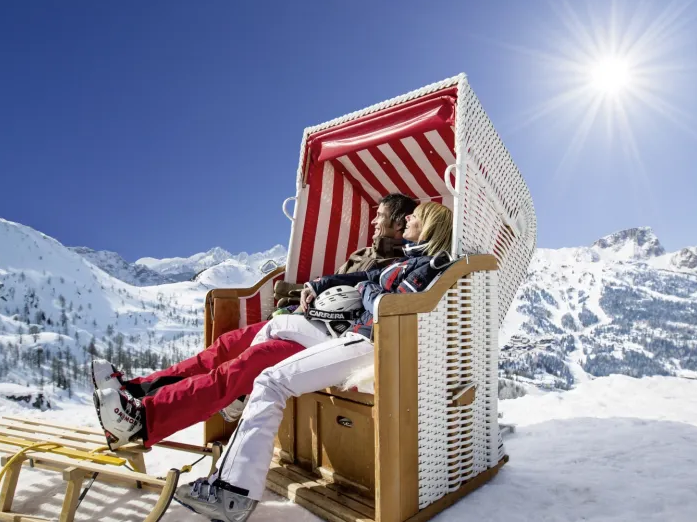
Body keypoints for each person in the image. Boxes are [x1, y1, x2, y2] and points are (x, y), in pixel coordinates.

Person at [173, 202, 455, 522]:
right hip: (354, 334)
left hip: (373, 344)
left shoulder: (429, 266)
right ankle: (241, 398)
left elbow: (388, 307)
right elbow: (366, 275)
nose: (408, 219)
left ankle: (234, 493)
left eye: (415, 216)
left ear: (429, 226)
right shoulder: (409, 260)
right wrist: (317, 285)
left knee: (271, 381)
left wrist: (366, 290)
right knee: (276, 325)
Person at [91, 193, 418, 449]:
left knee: (243, 367)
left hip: (326, 337)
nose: (374, 221)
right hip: (301, 320)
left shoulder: (398, 266)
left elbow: (365, 302)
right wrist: (298, 294)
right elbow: (331, 285)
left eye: (380, 216)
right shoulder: (363, 254)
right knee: (224, 347)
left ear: (399, 223)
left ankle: (144, 420)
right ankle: (135, 391)